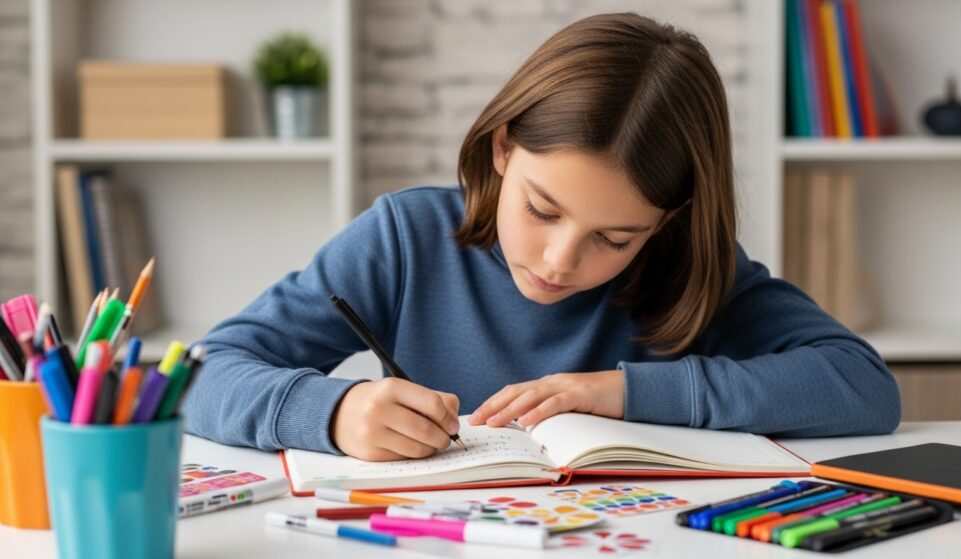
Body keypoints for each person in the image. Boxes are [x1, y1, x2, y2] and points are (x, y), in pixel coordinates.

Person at [181, 13, 900, 461]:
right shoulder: (406, 237)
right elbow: (205, 371)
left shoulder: (687, 268)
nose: (560, 261)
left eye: (615, 237)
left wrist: (623, 393)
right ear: (501, 149)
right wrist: (332, 412)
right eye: (543, 209)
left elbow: (862, 387)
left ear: (667, 220)